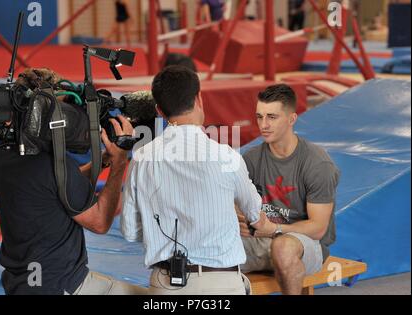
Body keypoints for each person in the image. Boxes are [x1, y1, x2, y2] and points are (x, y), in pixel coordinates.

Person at [0, 75, 147, 294]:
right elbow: (100, 222)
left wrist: (101, 162)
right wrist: (119, 163)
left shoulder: (0, 157)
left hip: (22, 283)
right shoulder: (48, 165)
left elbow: (53, 185)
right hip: (62, 285)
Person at [120, 65, 264, 295]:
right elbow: (257, 217)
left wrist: (161, 228)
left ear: (159, 110)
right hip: (222, 283)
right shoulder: (226, 156)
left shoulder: (141, 158)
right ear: (199, 98)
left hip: (166, 284)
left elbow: (129, 231)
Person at [238, 84, 340, 295]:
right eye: (259, 117)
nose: (263, 125)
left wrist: (274, 229)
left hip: (304, 245)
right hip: (259, 240)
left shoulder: (317, 163)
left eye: (272, 117)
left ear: (292, 119)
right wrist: (240, 219)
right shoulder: (250, 159)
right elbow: (237, 205)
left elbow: (318, 228)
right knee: (206, 247)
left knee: (283, 248)